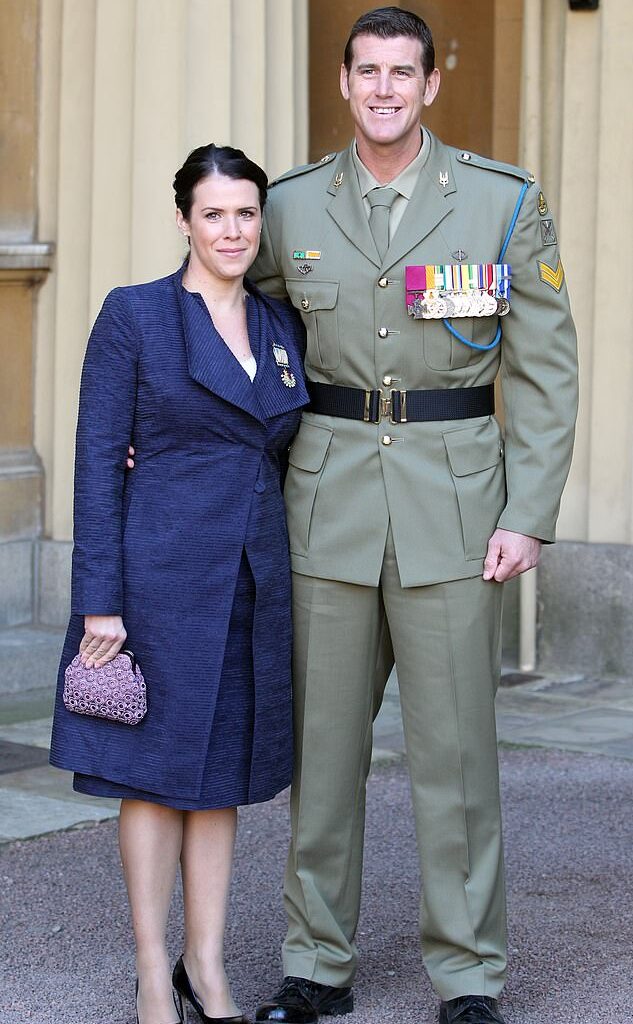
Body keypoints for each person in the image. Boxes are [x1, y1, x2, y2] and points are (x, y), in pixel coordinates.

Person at [249, 8, 578, 1024]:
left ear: (431, 85)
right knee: (323, 751)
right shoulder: (290, 208)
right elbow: (243, 335)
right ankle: (316, 960)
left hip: (456, 505)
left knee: (457, 758)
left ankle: (469, 973)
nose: (385, 89)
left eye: (404, 72)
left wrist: (528, 511)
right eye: (368, 72)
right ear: (342, 84)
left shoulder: (500, 202)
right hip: (328, 500)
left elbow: (546, 370)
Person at [49, 143, 308, 1024]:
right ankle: (154, 969)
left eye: (246, 213)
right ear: (184, 220)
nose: (232, 230)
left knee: (221, 777)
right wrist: (100, 601)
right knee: (155, 775)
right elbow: (95, 462)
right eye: (215, 213)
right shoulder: (137, 316)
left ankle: (209, 961)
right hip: (156, 581)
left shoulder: (280, 326)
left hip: (250, 578)